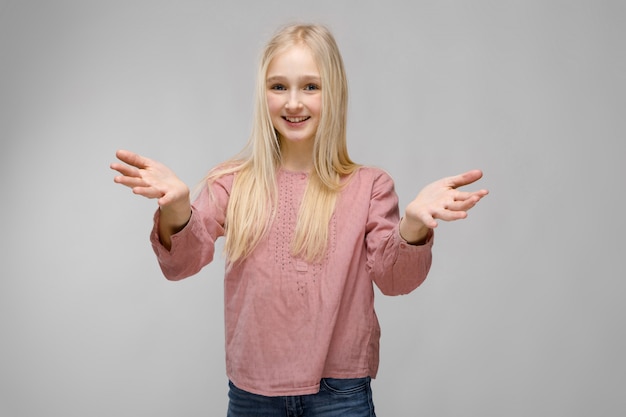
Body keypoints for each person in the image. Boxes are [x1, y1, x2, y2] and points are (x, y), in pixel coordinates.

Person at [111, 23, 488, 417]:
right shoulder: (232, 183)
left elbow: (396, 280)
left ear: (334, 93)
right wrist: (176, 209)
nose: (293, 102)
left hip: (340, 393)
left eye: (310, 86)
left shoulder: (370, 186)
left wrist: (412, 227)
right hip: (253, 394)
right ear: (263, 95)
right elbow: (183, 263)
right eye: (279, 87)